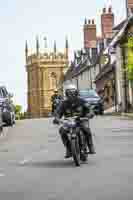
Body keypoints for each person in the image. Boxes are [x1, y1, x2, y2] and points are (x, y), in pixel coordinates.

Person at [53, 83, 96, 158]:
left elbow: (90, 110)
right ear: (66, 94)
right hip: (69, 122)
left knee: (86, 129)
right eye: (69, 93)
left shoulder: (82, 101)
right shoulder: (63, 103)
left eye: (73, 93)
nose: (71, 95)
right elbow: (57, 113)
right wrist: (57, 119)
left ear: (76, 93)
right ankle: (68, 148)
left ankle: (90, 146)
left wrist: (89, 115)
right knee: (62, 131)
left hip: (81, 120)